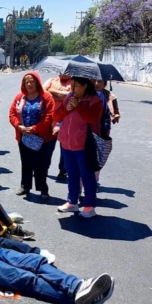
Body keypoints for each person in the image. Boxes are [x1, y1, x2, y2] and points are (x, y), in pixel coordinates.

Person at [55, 77, 104, 218]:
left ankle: (89, 205)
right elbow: (57, 115)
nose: (72, 89)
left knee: (87, 175)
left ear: (85, 86)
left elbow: (93, 119)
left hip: (84, 144)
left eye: (76, 86)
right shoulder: (69, 97)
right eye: (71, 85)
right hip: (67, 142)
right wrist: (66, 108)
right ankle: (72, 202)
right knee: (72, 173)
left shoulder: (95, 100)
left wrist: (78, 106)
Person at [8, 72, 56, 199]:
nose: (29, 84)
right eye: (26, 81)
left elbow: (49, 117)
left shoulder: (46, 97)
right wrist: (19, 126)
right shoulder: (20, 97)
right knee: (26, 162)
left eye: (32, 81)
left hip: (42, 138)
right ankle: (25, 186)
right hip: (23, 136)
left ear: (38, 82)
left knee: (41, 164)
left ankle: (43, 189)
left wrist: (35, 129)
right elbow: (12, 113)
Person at [43, 73, 73, 180]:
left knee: (64, 147)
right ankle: (44, 168)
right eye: (62, 72)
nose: (64, 74)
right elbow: (43, 91)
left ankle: (63, 171)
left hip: (66, 120)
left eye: (66, 72)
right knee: (47, 147)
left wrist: (52, 92)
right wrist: (64, 95)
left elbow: (72, 95)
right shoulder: (51, 80)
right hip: (50, 119)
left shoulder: (73, 82)